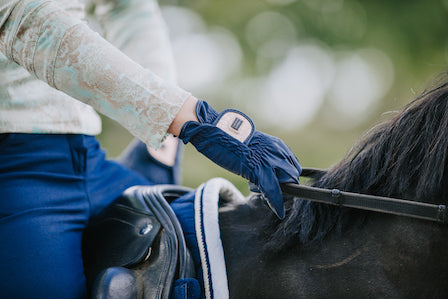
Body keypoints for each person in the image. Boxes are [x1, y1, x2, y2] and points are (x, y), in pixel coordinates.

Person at [0, 0, 301, 297]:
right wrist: (196, 119)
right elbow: (22, 18)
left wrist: (160, 145)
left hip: (90, 157)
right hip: (17, 167)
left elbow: (127, 7)